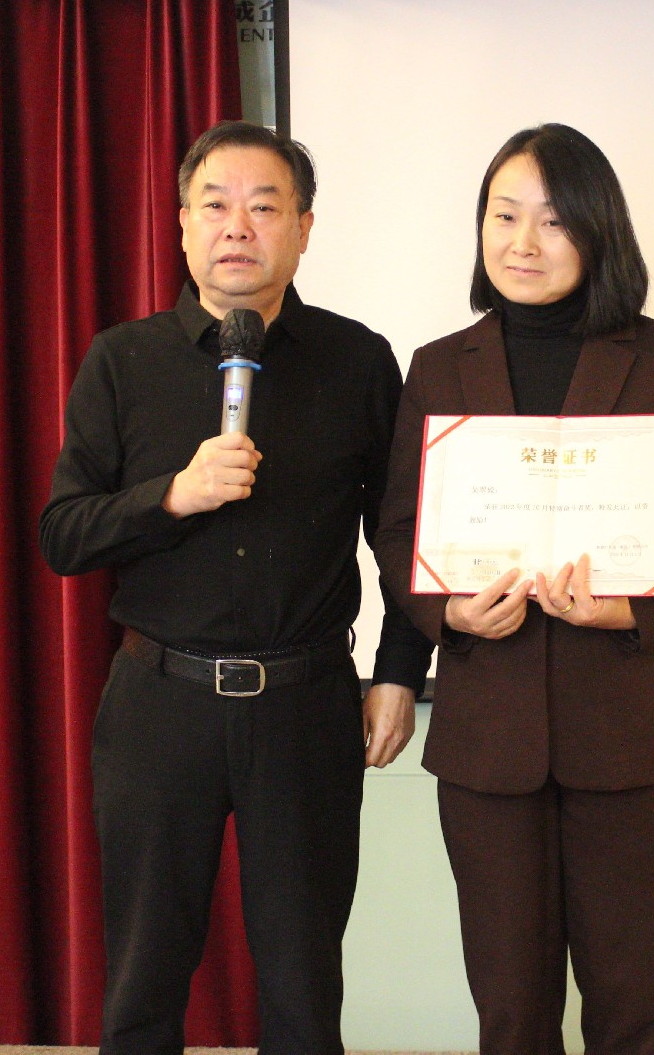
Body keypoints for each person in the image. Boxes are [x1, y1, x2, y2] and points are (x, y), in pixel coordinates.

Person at [40, 121, 430, 1055]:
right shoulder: (122, 360)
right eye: (215, 205)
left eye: (264, 207)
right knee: (144, 978)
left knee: (303, 983)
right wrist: (172, 495)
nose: (237, 227)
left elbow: (404, 534)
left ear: (303, 229)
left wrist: (397, 673)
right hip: (158, 704)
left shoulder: (357, 360)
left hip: (304, 706)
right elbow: (64, 535)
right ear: (182, 224)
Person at [375, 123, 654, 1055]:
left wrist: (635, 607)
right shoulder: (440, 366)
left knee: (632, 1012)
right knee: (510, 1014)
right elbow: (398, 531)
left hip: (633, 735)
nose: (522, 242)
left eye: (552, 221)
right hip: (490, 743)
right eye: (503, 216)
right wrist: (447, 611)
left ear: (597, 231)